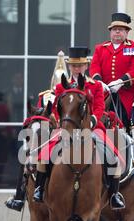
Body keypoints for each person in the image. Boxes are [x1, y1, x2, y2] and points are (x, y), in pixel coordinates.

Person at [33, 46, 125, 210]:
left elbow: (99, 106)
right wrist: (61, 121)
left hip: (92, 127)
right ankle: (39, 188)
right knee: (44, 154)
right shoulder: (62, 87)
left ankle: (114, 194)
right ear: (69, 66)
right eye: (74, 65)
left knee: (113, 156)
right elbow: (55, 108)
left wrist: (93, 120)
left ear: (86, 66)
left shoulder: (95, 85)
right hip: (67, 127)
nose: (77, 68)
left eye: (80, 65)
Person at [5, 50, 68, 212]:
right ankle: (19, 196)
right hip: (49, 135)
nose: (56, 83)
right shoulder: (45, 96)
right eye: (55, 79)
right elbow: (40, 116)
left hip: (68, 133)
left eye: (60, 79)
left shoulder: (70, 96)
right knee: (27, 156)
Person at [90, 12, 134, 131]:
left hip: (125, 95)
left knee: (122, 125)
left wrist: (121, 81)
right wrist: (99, 82)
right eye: (114, 29)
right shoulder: (100, 48)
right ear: (110, 32)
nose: (117, 32)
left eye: (120, 29)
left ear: (127, 32)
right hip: (104, 94)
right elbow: (94, 67)